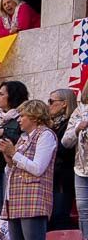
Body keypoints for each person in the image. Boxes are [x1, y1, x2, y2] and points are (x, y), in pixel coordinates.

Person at [0, 98, 57, 240]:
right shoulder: (24, 139)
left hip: (33, 199)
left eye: (23, 115)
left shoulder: (46, 135)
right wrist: (9, 157)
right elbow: (12, 169)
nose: (19, 119)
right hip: (15, 199)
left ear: (35, 117)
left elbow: (38, 168)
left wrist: (13, 153)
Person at [0, 80, 29, 225]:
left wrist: (4, 132)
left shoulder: (23, 116)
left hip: (11, 166)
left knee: (8, 208)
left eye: (2, 94)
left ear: (13, 96)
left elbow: (25, 138)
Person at [48, 87, 77, 229]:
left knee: (59, 218)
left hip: (63, 178)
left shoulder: (70, 124)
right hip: (52, 178)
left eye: (51, 101)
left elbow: (64, 150)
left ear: (64, 103)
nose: (48, 105)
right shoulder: (54, 124)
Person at [61, 85, 88, 238]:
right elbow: (65, 142)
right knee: (83, 208)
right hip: (81, 168)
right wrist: (78, 128)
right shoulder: (80, 111)